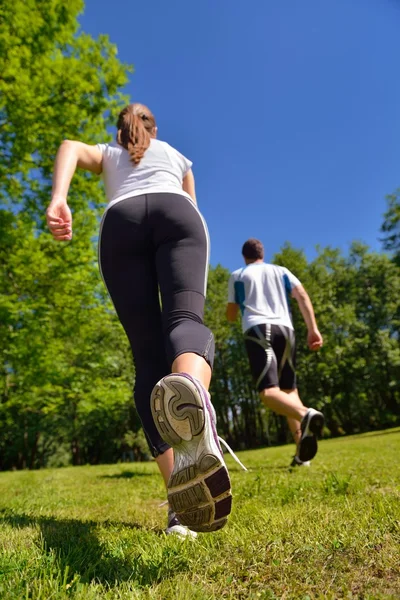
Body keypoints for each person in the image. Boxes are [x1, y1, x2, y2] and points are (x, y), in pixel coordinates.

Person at [46, 103, 232, 535]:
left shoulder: (110, 153)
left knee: (147, 360)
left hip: (120, 222)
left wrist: (60, 198)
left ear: (118, 132)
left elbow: (70, 146)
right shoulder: (177, 157)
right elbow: (192, 204)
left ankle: (180, 505)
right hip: (178, 214)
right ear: (155, 127)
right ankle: (191, 391)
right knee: (184, 318)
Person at [226, 238, 324, 466]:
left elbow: (231, 314)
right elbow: (302, 296)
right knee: (289, 391)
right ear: (262, 253)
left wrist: (232, 312)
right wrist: (313, 329)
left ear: (244, 256)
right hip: (286, 330)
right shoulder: (282, 271)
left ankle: (307, 414)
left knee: (268, 394)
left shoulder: (238, 275)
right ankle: (302, 455)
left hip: (258, 329)